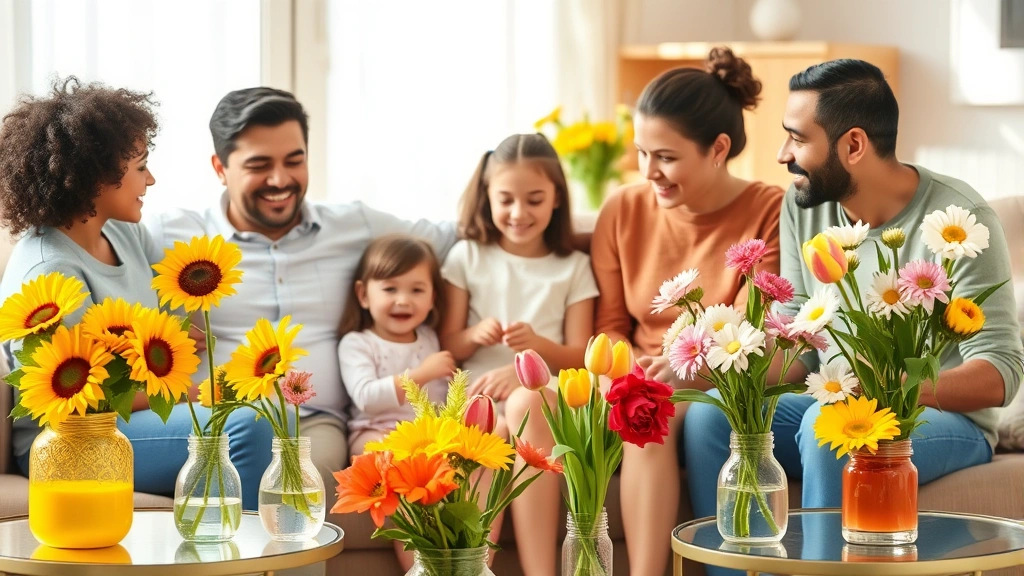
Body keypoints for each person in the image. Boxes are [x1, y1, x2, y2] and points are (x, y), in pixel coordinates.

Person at [683, 58, 1024, 574]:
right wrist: (726, 370)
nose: (782, 155)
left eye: (797, 139)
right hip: (831, 401)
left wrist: (889, 386)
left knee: (831, 426)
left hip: (944, 421)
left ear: (854, 145)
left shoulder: (961, 221)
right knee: (714, 415)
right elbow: (800, 325)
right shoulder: (805, 205)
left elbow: (1001, 374)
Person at [143, 87, 458, 512]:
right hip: (220, 420)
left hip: (315, 420)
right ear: (220, 168)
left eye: (295, 160)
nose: (280, 180)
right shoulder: (168, 236)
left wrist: (574, 238)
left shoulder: (355, 225)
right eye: (259, 165)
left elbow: (460, 234)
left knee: (300, 483)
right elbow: (93, 241)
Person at [0, 77, 272, 507]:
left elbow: (178, 331)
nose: (151, 179)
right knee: (242, 426)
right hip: (70, 442)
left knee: (259, 413)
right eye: (140, 166)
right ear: (95, 177)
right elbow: (80, 402)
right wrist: (192, 392)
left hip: (129, 420)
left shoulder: (126, 234)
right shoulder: (49, 270)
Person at [593, 48, 782, 576]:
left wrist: (679, 374)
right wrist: (630, 372)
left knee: (652, 413)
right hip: (630, 372)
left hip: (710, 378)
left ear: (718, 148)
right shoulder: (622, 211)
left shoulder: (770, 210)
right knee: (642, 402)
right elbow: (610, 327)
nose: (648, 171)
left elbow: (753, 329)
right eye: (641, 152)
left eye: (666, 157)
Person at [442, 133, 598, 573]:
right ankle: (475, 567)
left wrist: (535, 356)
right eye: (506, 199)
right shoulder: (467, 256)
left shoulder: (572, 267)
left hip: (541, 393)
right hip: (478, 395)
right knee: (497, 429)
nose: (518, 213)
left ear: (556, 199)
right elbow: (448, 343)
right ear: (487, 197)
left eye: (534, 200)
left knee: (524, 407)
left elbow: (580, 356)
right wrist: (475, 334)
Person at [339, 235, 455, 455]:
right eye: (390, 289)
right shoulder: (357, 343)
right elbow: (366, 397)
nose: (403, 300)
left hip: (425, 436)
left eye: (417, 290)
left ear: (432, 299)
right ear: (363, 295)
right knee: (380, 455)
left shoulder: (429, 337)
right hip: (375, 431)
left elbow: (441, 394)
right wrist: (422, 374)